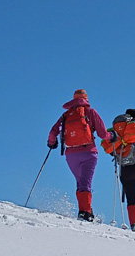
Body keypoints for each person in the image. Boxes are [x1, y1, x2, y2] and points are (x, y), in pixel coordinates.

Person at [47, 89, 115, 222]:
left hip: (71, 155)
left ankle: (87, 210)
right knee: (85, 183)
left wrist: (51, 143)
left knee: (81, 182)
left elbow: (53, 132)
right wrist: (111, 136)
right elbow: (102, 134)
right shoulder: (91, 112)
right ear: (86, 100)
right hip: (89, 152)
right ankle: (84, 213)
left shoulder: (65, 115)